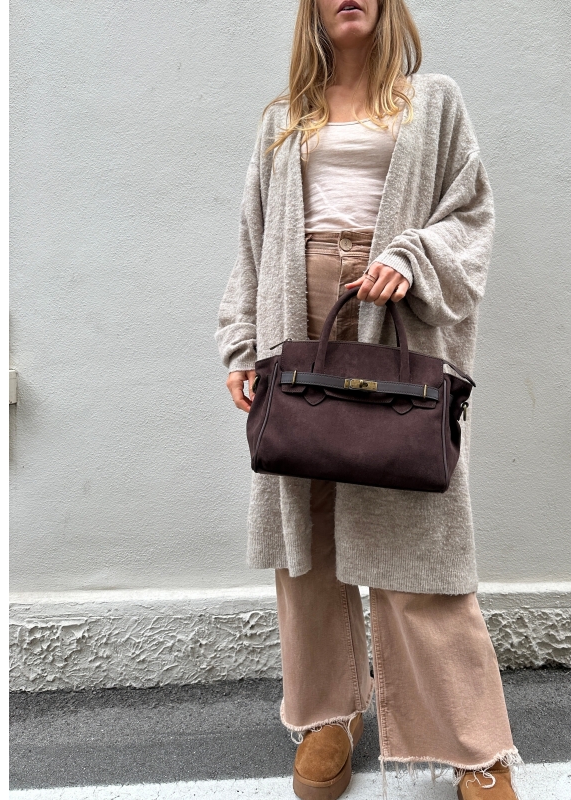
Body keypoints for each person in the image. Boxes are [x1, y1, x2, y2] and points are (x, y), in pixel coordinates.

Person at [216, 2, 520, 798]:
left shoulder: (435, 101)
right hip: (298, 316)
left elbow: (472, 213)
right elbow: (253, 237)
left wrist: (413, 256)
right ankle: (327, 715)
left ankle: (474, 744)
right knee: (308, 525)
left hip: (395, 314)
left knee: (415, 528)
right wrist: (242, 343)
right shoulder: (284, 119)